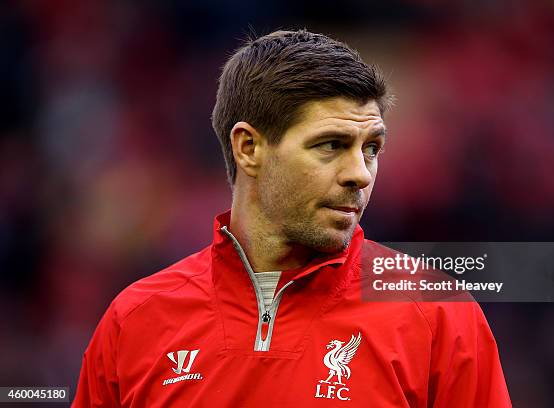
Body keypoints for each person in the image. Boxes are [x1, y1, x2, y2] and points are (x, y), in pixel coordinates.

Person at [73, 29, 511, 407]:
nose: (360, 173)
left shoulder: (436, 316)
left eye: (371, 148)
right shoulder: (135, 321)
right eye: (331, 145)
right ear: (249, 148)